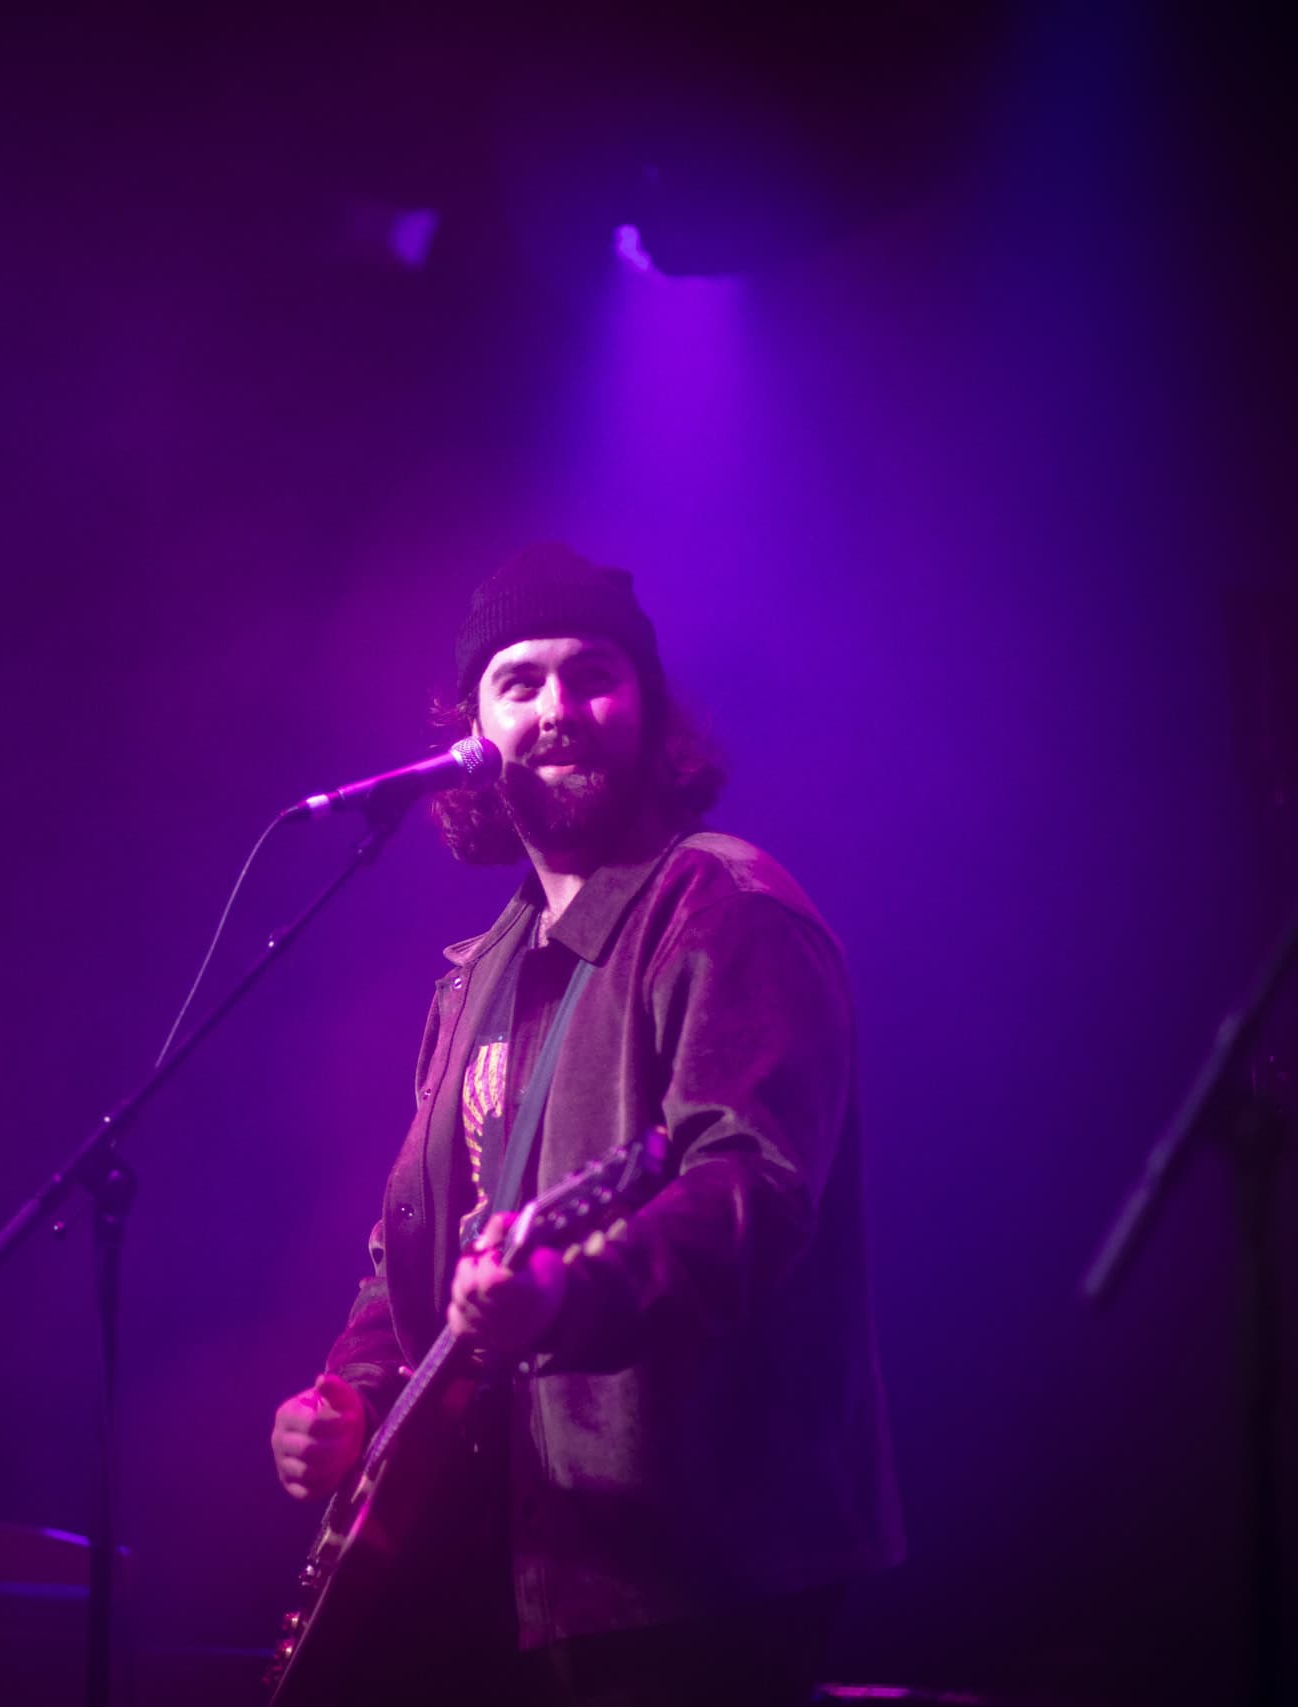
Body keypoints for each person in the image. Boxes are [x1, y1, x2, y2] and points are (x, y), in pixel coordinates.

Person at [269, 544, 904, 1706]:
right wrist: (347, 1396)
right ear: (473, 732)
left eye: (592, 676)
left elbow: (751, 1189)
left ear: (648, 711)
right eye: (519, 683)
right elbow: (407, 1253)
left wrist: (564, 1295)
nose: (556, 709)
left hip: (698, 1559)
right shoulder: (476, 975)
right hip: (521, 1553)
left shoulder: (725, 908)